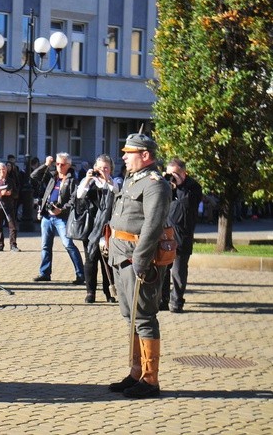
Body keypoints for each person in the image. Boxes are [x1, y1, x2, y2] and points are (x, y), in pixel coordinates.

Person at [107, 132, 171, 399]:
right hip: (120, 254)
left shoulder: (155, 184)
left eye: (129, 153)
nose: (123, 157)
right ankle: (136, 372)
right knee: (130, 316)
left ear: (145, 155)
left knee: (144, 317)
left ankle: (150, 379)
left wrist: (142, 262)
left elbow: (152, 226)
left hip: (137, 257)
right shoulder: (134, 180)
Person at [30, 152, 85, 284]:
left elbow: (75, 200)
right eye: (57, 163)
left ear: (69, 165)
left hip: (62, 218)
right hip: (47, 216)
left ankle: (80, 274)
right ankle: (45, 273)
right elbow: (34, 176)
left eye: (62, 164)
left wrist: (62, 209)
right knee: (45, 246)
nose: (59, 166)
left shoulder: (72, 180)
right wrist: (46, 165)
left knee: (68, 245)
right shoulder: (53, 176)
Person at [160, 157, 203, 313]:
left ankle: (177, 302)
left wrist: (179, 185)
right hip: (166, 233)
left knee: (178, 271)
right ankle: (162, 300)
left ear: (184, 172)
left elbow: (187, 204)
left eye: (176, 173)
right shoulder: (167, 187)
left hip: (183, 235)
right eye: (170, 173)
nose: (172, 177)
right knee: (163, 269)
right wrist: (165, 183)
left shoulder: (193, 187)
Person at [76, 154, 118, 303]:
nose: (102, 170)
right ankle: (90, 292)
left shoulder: (114, 181)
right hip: (91, 226)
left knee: (107, 260)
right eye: (99, 168)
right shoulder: (89, 181)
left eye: (105, 168)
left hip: (108, 227)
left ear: (111, 169)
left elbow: (117, 192)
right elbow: (80, 195)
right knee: (90, 259)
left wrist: (107, 179)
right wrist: (88, 179)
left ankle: (109, 292)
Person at [0, 162, 20, 252]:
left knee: (12, 226)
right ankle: (0, 244)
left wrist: (11, 194)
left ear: (7, 170)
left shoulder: (11, 181)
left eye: (4, 169)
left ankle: (13, 245)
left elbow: (16, 194)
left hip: (9, 206)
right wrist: (0, 194)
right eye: (0, 170)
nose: (2, 171)